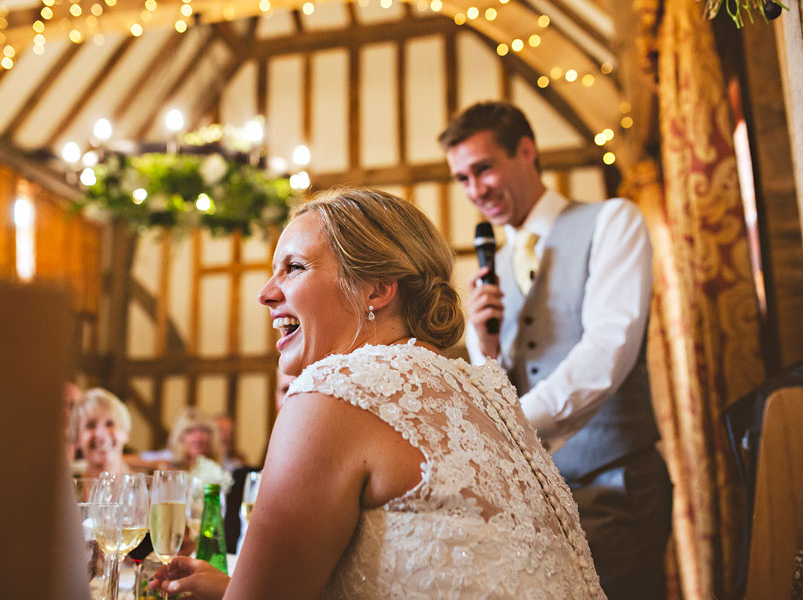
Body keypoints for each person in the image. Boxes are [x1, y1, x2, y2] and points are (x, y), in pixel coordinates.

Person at [150, 187, 604, 598]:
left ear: (377, 288)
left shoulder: (333, 392)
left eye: (293, 268)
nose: (266, 294)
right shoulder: (487, 394)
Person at [439, 101, 672, 599]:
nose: (475, 191)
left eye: (483, 168)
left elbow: (608, 348)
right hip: (534, 502)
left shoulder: (612, 221)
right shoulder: (490, 267)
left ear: (526, 151)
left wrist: (510, 429)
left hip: (616, 486)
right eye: (462, 178)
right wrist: (486, 349)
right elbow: (496, 386)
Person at [71, 387, 132, 479]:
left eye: (110, 424)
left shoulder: (149, 489)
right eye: (90, 425)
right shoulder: (65, 489)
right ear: (77, 439)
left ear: (125, 433)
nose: (100, 434)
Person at [168, 406, 221, 470]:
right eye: (190, 431)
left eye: (204, 430)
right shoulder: (168, 469)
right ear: (179, 437)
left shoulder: (220, 472)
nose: (198, 437)